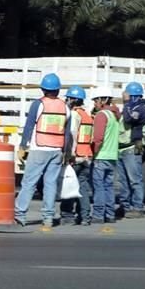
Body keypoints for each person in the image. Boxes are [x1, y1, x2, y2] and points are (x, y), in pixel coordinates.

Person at [14, 73, 71, 228]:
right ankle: (48, 218)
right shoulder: (65, 107)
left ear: (43, 89)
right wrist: (66, 152)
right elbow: (67, 133)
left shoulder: (38, 104)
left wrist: (22, 146)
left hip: (39, 148)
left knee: (29, 183)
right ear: (58, 90)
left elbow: (29, 126)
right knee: (51, 184)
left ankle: (20, 215)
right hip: (57, 150)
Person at [58, 86, 93, 226]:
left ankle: (67, 216)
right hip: (87, 156)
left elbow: (72, 136)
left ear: (72, 100)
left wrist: (68, 156)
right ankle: (85, 216)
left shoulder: (74, 115)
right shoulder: (88, 116)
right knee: (83, 187)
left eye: (68, 98)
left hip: (76, 157)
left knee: (68, 186)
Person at [117, 81, 145, 219]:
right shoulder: (129, 107)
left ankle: (137, 207)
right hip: (121, 148)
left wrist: (126, 103)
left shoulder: (141, 109)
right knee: (124, 181)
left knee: (134, 180)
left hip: (132, 148)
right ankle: (125, 206)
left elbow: (129, 118)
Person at [89, 87, 121, 224]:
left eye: (96, 100)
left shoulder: (101, 115)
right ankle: (110, 214)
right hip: (112, 156)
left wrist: (93, 153)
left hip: (101, 156)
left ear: (103, 100)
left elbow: (98, 138)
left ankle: (98, 215)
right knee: (108, 186)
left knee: (99, 187)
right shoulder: (113, 116)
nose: (94, 104)